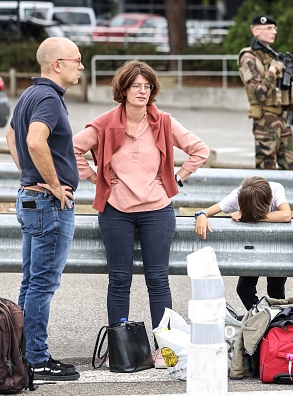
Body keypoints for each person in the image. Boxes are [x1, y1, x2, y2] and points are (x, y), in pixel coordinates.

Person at [72, 60, 210, 368]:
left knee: (158, 280)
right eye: (136, 86)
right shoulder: (105, 123)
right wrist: (95, 178)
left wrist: (176, 178)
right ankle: (117, 347)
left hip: (157, 210)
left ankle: (165, 348)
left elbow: (200, 149)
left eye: (147, 86)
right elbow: (72, 148)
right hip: (115, 210)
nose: (143, 91)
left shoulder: (163, 121)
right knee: (119, 279)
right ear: (123, 89)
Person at [5, 37, 84, 381]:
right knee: (42, 284)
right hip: (49, 203)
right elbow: (34, 140)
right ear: (57, 64)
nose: (81, 66)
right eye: (76, 60)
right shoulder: (49, 98)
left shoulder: (29, 94)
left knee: (31, 281)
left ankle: (23, 354)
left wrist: (28, 174)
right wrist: (51, 183)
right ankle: (36, 359)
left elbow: (12, 134)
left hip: (31, 199)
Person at [194, 176, 292, 310]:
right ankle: (260, 317)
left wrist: (250, 216)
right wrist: (201, 215)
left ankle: (279, 322)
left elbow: (286, 215)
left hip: (275, 245)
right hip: (253, 246)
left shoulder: (275, 189)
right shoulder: (238, 194)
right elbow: (208, 211)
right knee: (244, 289)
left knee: (275, 290)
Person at [237, 14, 293, 170]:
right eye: (268, 28)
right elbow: (258, 94)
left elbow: (279, 89)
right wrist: (273, 71)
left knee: (292, 165)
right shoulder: (248, 58)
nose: (273, 32)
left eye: (274, 28)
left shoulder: (271, 56)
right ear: (255, 31)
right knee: (266, 167)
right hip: (265, 120)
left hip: (281, 118)